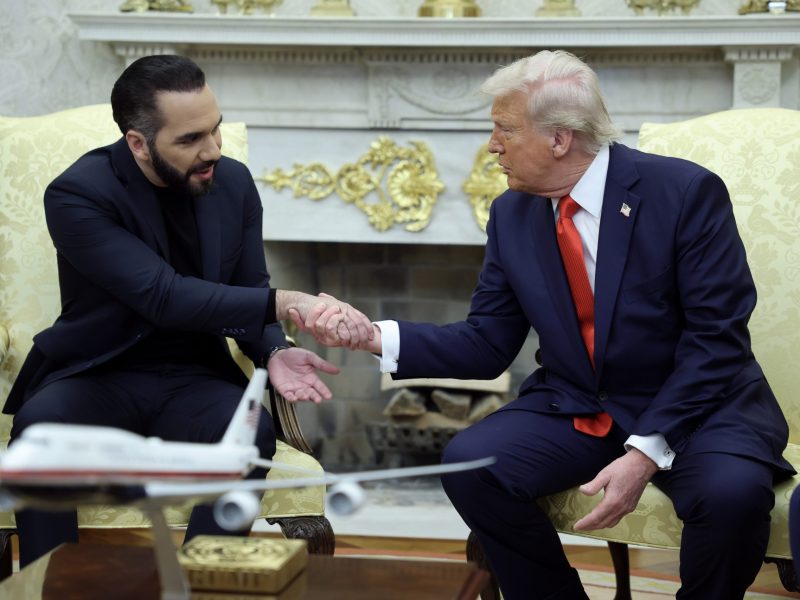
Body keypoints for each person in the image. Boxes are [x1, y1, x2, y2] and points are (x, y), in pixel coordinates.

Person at [293, 50, 795, 599]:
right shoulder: (513, 214)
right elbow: (486, 343)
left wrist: (645, 452)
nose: (492, 146)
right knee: (470, 465)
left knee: (732, 497)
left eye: (505, 129)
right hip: (584, 406)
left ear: (559, 139)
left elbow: (716, 341)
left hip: (701, 408)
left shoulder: (683, 193)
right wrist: (372, 336)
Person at [3, 54, 372, 568]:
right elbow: (164, 296)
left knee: (251, 432)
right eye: (191, 139)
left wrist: (274, 351)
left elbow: (249, 286)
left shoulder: (233, 182)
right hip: (98, 372)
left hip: (195, 376)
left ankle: (204, 580)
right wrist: (292, 302)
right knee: (39, 429)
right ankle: (53, 583)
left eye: (215, 129)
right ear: (138, 143)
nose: (213, 149)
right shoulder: (78, 193)